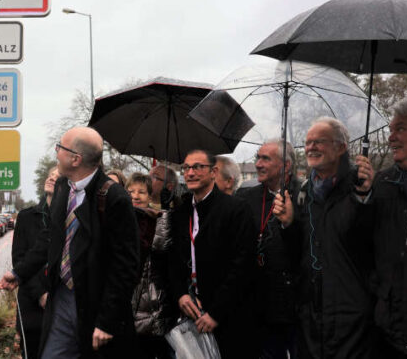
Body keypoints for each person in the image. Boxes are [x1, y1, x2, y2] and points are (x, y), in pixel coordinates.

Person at [0, 126, 140, 358]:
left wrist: (107, 320)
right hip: (62, 297)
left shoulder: (115, 198)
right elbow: (51, 237)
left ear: (76, 159)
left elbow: (125, 267)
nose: (56, 152)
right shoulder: (64, 187)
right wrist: (19, 273)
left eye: (60, 147)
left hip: (96, 303)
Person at [273, 117, 375, 358]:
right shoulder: (303, 192)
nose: (311, 147)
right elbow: (297, 254)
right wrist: (288, 224)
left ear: (341, 147)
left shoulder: (361, 185)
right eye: (308, 142)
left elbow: (368, 242)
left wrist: (364, 198)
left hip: (352, 319)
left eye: (319, 141)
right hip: (311, 317)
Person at [168, 149, 258, 359]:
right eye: (186, 168)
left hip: (229, 316)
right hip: (191, 312)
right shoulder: (181, 212)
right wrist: (180, 293)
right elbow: (173, 259)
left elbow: (243, 265)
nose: (190, 173)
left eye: (198, 167)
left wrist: (216, 312)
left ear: (213, 172)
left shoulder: (236, 209)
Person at [368, 97, 407, 359]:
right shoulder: (382, 184)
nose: (390, 137)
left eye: (401, 129)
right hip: (391, 334)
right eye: (391, 130)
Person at [236, 140, 300, 359]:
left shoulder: (305, 195)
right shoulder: (244, 198)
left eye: (266, 158)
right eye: (258, 157)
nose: (258, 164)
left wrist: (289, 223)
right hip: (257, 302)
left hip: (294, 304)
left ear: (286, 166)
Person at [13, 166, 61, 359]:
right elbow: (19, 259)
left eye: (58, 177)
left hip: (61, 302)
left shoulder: (70, 217)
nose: (51, 178)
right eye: (50, 175)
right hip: (31, 304)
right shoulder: (26, 217)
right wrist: (40, 293)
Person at [128, 173, 175, 359]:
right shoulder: (120, 219)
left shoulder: (156, 218)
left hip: (150, 303)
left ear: (149, 196)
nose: (135, 196)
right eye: (130, 191)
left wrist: (165, 211)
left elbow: (161, 245)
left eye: (141, 192)